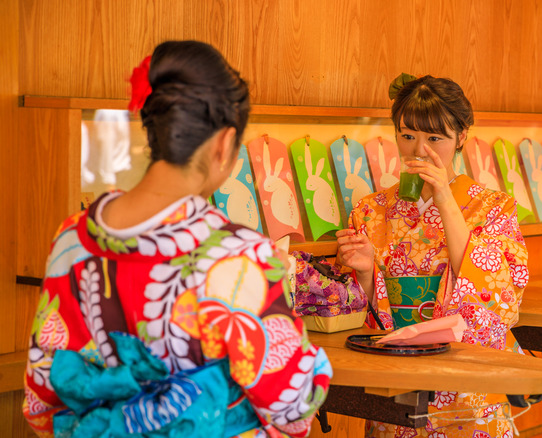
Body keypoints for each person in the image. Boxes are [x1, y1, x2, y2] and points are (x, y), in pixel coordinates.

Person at [23, 40, 331, 437]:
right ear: (224, 144)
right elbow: (291, 403)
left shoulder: (71, 238)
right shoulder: (239, 255)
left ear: (155, 133)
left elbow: (41, 399)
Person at [336, 74, 529, 438]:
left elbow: (500, 302)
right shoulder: (370, 211)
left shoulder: (494, 209)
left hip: (468, 394)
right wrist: (363, 274)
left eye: (434, 138)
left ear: (462, 137)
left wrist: (444, 198)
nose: (419, 150)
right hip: (395, 394)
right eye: (407, 136)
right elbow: (358, 315)